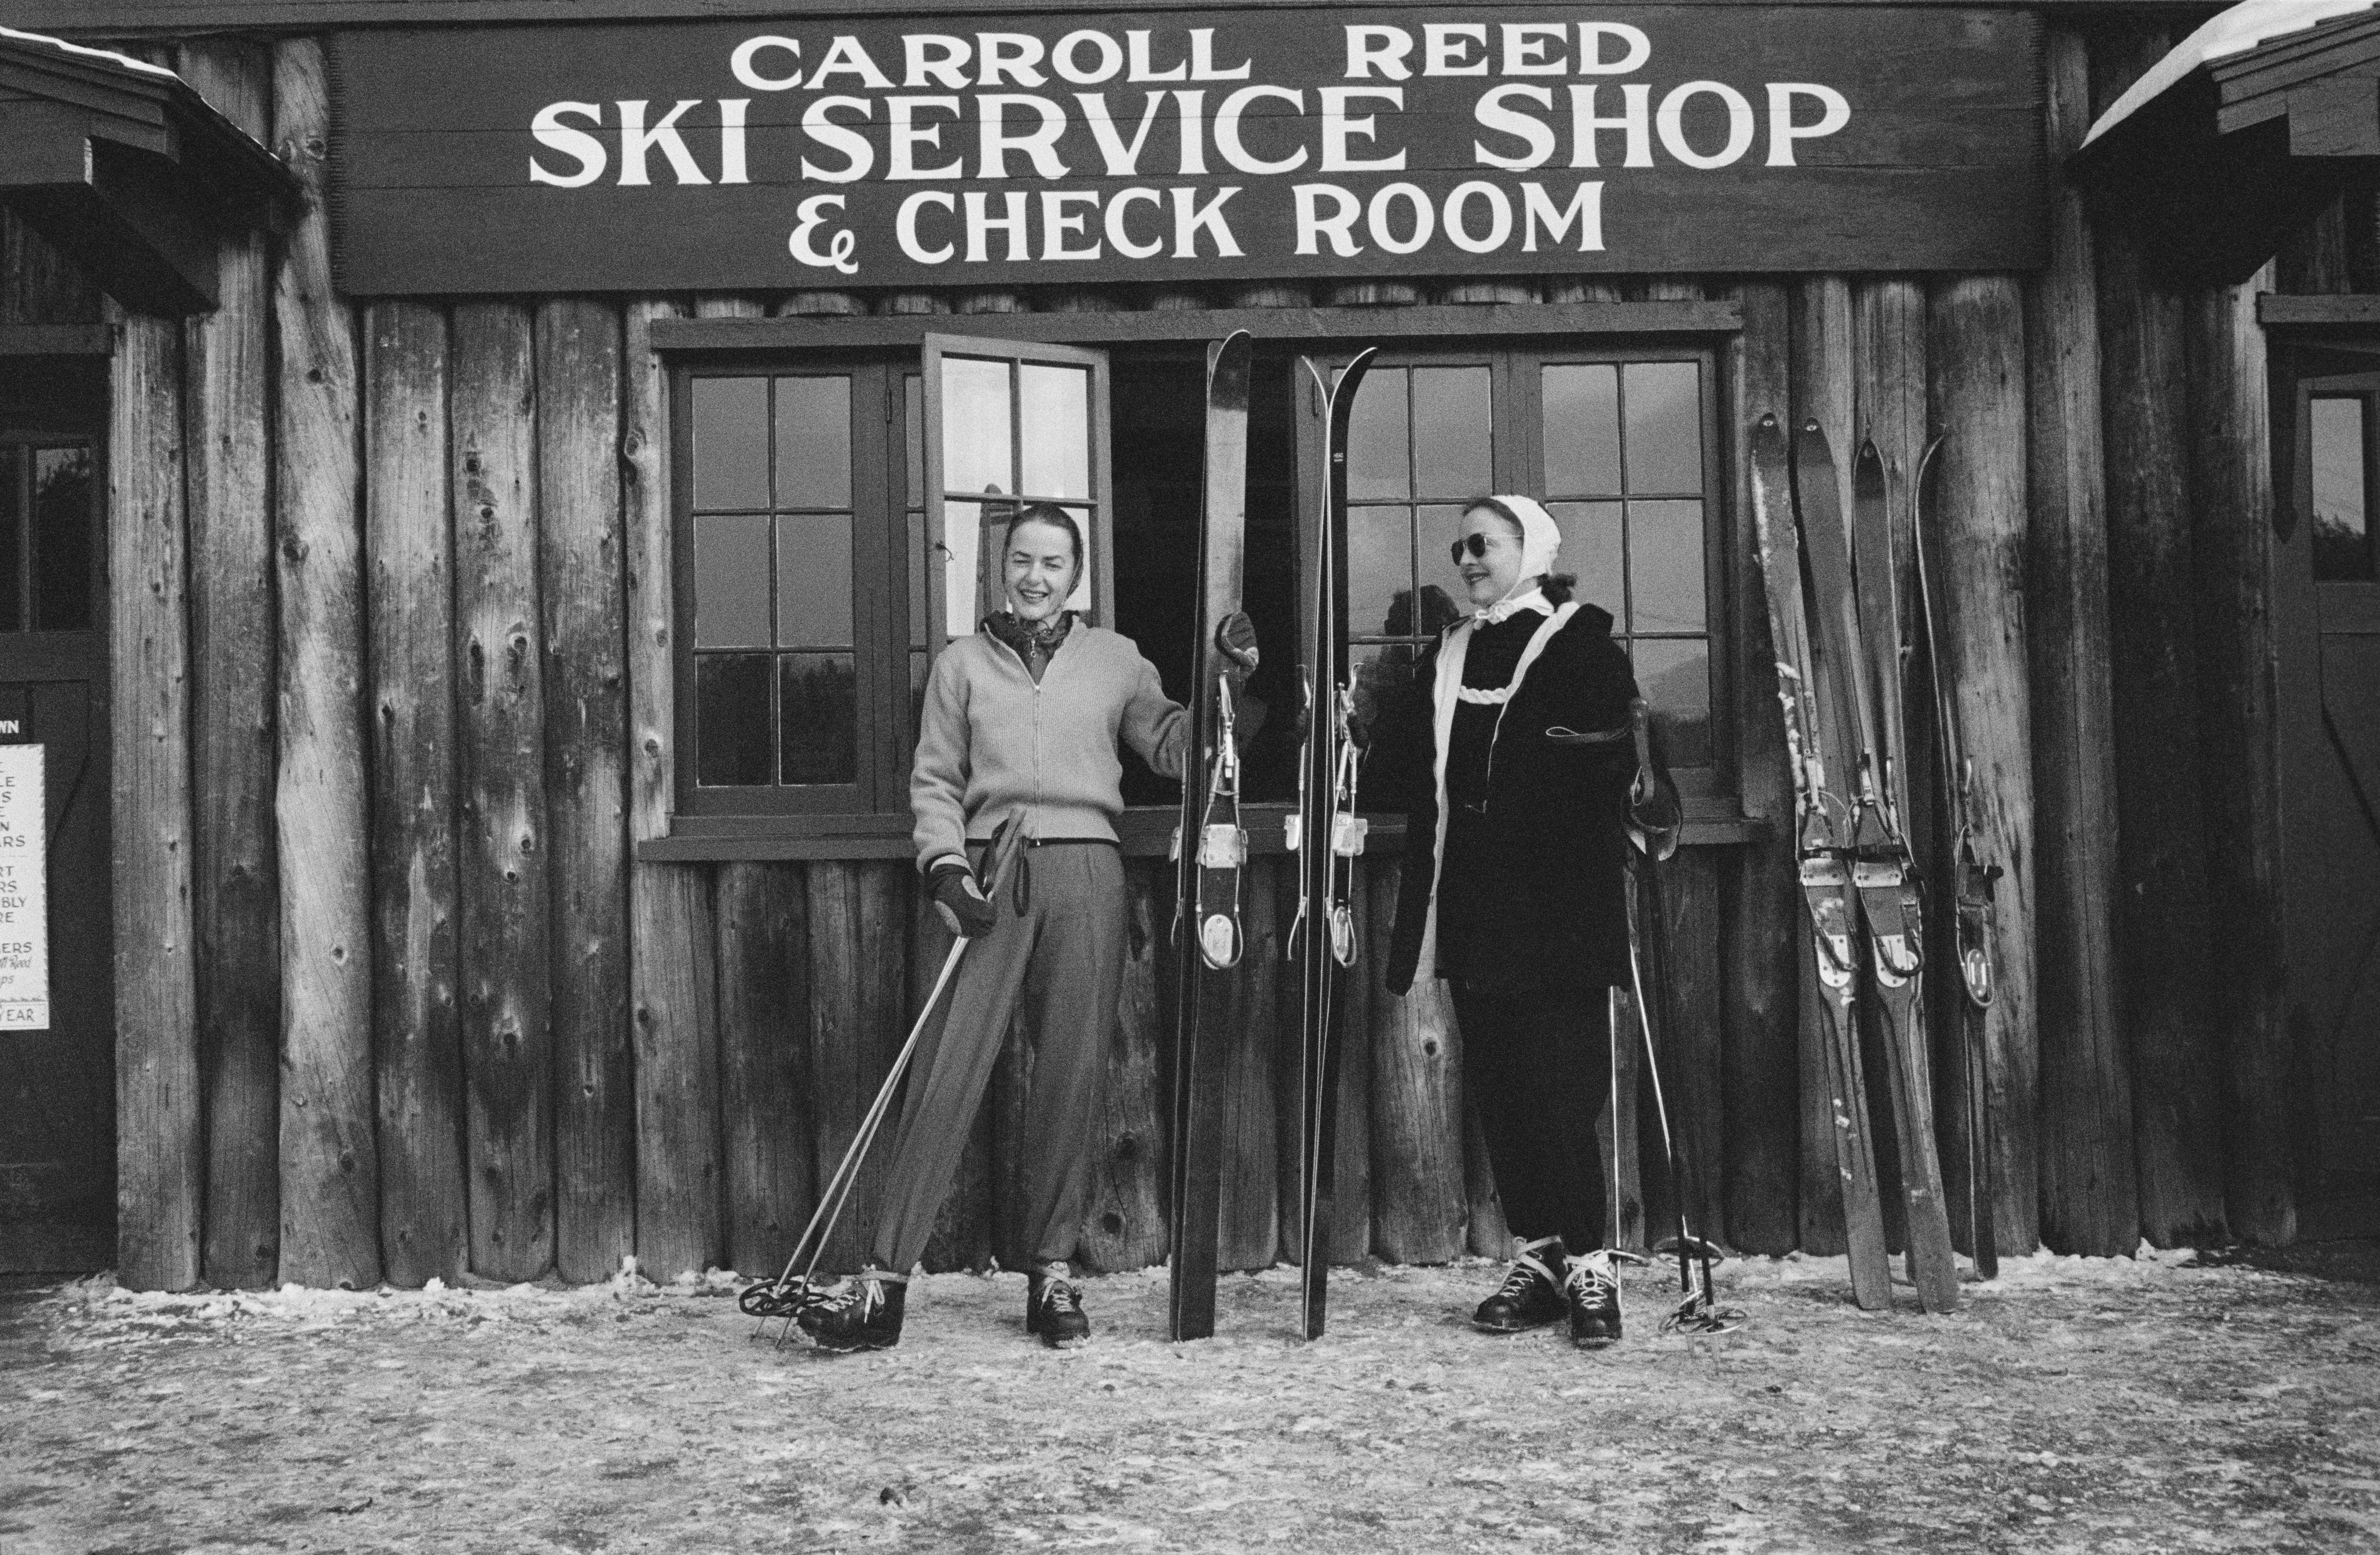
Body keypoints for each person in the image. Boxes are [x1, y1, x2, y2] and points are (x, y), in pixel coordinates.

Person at [800, 502, 1255, 1352]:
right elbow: (935, 777)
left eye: (1052, 563)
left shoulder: (1116, 659)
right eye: (1021, 560)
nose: (1035, 576)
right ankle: (883, 1283)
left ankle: (1050, 1273)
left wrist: (1231, 688)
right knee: (946, 1069)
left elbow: (1175, 746)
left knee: (1072, 1072)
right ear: (1001, 567)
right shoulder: (962, 663)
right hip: (989, 868)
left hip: (1087, 867)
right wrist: (945, 867)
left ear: (1076, 576)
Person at [1364, 494, 1671, 1347]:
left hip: (1558, 910)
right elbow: (1401, 764)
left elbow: (1604, 771)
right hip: (1472, 906)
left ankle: (1592, 1264)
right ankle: (1538, 1256)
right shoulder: (1450, 652)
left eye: (1483, 544)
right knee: (1500, 1085)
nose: (1466, 559)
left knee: (1560, 1089)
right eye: (1459, 546)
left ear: (1528, 551)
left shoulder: (1578, 645)